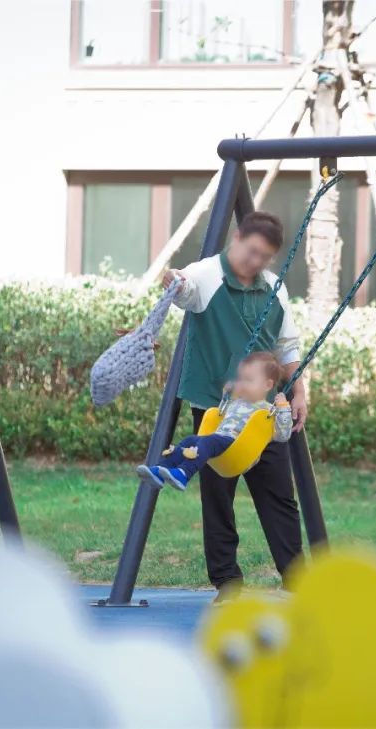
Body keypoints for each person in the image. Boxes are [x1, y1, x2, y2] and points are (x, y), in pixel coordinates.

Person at [160, 211, 306, 601]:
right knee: (218, 494)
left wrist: (300, 391)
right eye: (252, 251)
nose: (255, 262)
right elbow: (185, 289)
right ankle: (227, 580)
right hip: (217, 407)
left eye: (265, 257)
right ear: (237, 237)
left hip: (263, 410)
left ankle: (297, 579)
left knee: (278, 494)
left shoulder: (274, 287)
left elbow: (287, 345)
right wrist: (172, 280)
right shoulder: (207, 275)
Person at [138, 352, 293, 491]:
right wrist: (226, 395)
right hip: (220, 439)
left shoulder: (268, 411)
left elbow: (283, 435)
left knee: (207, 442)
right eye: (241, 379)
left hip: (239, 448)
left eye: (249, 380)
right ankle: (160, 470)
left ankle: (184, 474)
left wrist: (284, 409)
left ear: (267, 385)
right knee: (190, 440)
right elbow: (221, 417)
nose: (242, 384)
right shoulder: (237, 402)